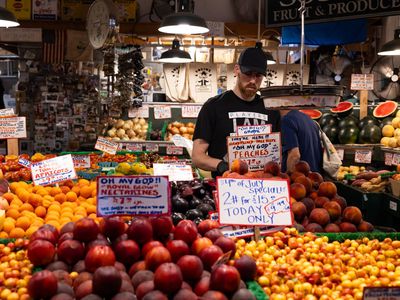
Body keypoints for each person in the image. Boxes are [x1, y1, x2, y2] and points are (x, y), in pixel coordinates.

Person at [192, 45, 281, 178]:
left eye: (258, 76)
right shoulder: (213, 106)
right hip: (227, 187)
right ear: (237, 70)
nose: (252, 80)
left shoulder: (271, 109)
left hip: (263, 187)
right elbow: (197, 156)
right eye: (248, 73)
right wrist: (221, 165)